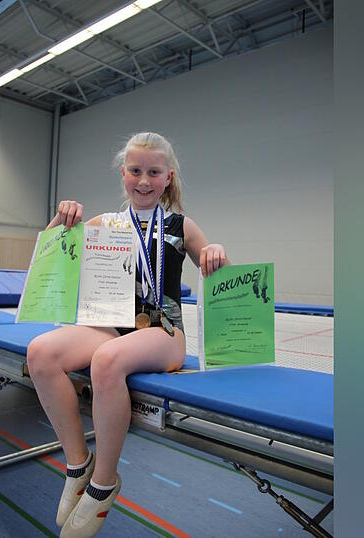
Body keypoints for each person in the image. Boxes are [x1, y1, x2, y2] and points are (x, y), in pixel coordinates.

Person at [26, 132, 228, 537]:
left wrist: (216, 252)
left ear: (167, 177)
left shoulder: (181, 225)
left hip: (163, 332)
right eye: (135, 170)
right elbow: (50, 258)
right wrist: (60, 219)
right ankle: (78, 463)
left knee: (106, 360)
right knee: (40, 353)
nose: (143, 180)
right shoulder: (105, 224)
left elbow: (221, 276)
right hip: (111, 325)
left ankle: (103, 483)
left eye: (154, 172)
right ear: (123, 173)